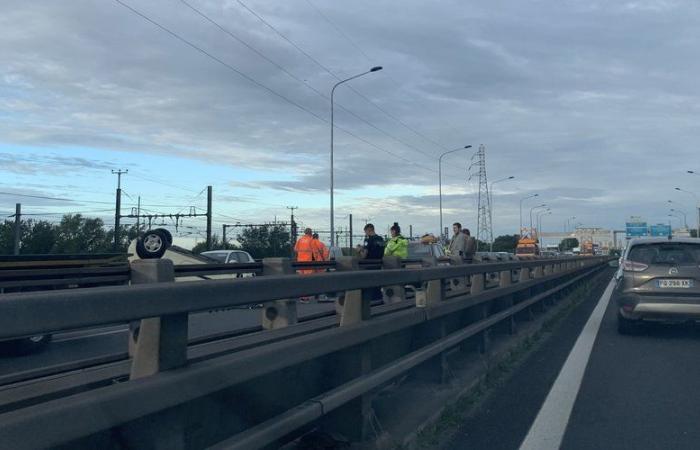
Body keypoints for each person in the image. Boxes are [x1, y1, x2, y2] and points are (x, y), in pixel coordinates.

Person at [294, 228, 315, 302]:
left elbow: (295, 249)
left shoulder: (300, 240)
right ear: (310, 233)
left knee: (301, 280)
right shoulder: (311, 240)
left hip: (300, 262)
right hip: (308, 263)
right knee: (307, 280)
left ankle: (301, 296)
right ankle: (305, 297)